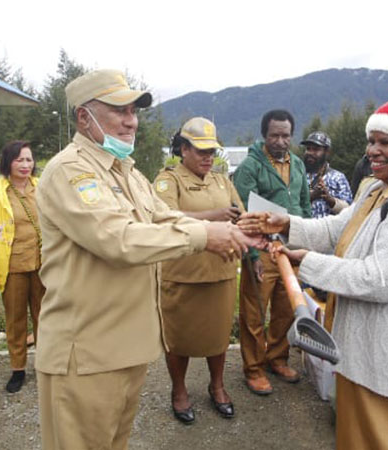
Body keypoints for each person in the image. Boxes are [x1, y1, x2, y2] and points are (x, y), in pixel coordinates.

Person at [34, 69, 262, 450]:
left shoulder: (127, 171)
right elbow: (118, 239)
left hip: (124, 348)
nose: (131, 121)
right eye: (118, 110)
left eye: (134, 111)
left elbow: (165, 217)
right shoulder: (71, 171)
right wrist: (206, 234)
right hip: (87, 352)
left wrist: (232, 234)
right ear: (82, 117)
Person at [239, 87, 388, 449]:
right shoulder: (378, 188)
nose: (372, 150)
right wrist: (284, 225)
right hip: (366, 365)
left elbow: (380, 279)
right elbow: (335, 229)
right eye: (371, 140)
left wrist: (306, 263)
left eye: (385, 142)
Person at [153, 117, 244, 424]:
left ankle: (217, 386)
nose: (208, 157)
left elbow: (240, 215)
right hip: (183, 275)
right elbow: (163, 218)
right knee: (178, 339)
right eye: (201, 151)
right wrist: (215, 215)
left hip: (220, 272)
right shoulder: (168, 180)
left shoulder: (222, 180)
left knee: (218, 337)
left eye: (212, 151)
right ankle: (179, 391)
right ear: (183, 149)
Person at [232, 109, 311, 395]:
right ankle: (253, 369)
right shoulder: (251, 167)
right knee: (254, 312)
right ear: (265, 135)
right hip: (262, 249)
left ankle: (276, 358)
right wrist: (252, 256)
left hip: (289, 249)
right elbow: (242, 213)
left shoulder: (299, 165)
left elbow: (305, 206)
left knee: (285, 309)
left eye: (286, 135)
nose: (281, 141)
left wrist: (304, 242)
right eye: (275, 135)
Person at [0, 140, 44, 393]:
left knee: (45, 317)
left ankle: (46, 364)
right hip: (12, 267)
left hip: (42, 264)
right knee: (16, 320)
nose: (26, 165)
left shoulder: (42, 188)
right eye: (19, 160)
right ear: (8, 162)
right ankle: (18, 368)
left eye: (29, 160)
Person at [301, 131, 352, 218]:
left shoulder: (338, 178)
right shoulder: (297, 176)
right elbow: (288, 205)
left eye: (316, 149)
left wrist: (330, 200)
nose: (310, 153)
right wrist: (311, 196)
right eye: (308, 149)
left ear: (327, 152)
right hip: (302, 229)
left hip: (329, 230)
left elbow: (349, 211)